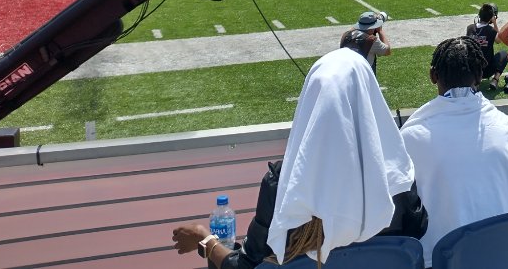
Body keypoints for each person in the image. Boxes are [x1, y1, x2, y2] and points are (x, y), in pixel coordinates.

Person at [172, 47, 426, 267]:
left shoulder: (281, 183)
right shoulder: (397, 175)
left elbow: (248, 266)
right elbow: (414, 235)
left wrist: (203, 239)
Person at [400, 37, 508, 266]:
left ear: (433, 76)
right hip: (504, 252)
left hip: (442, 258)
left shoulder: (412, 135)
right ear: (480, 76)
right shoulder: (506, 126)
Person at [465, 3, 508, 87]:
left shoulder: (470, 28)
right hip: (486, 70)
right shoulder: (491, 30)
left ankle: (473, 80)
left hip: (471, 70)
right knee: (504, 54)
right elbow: (498, 40)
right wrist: (495, 23)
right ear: (491, 18)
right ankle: (495, 79)